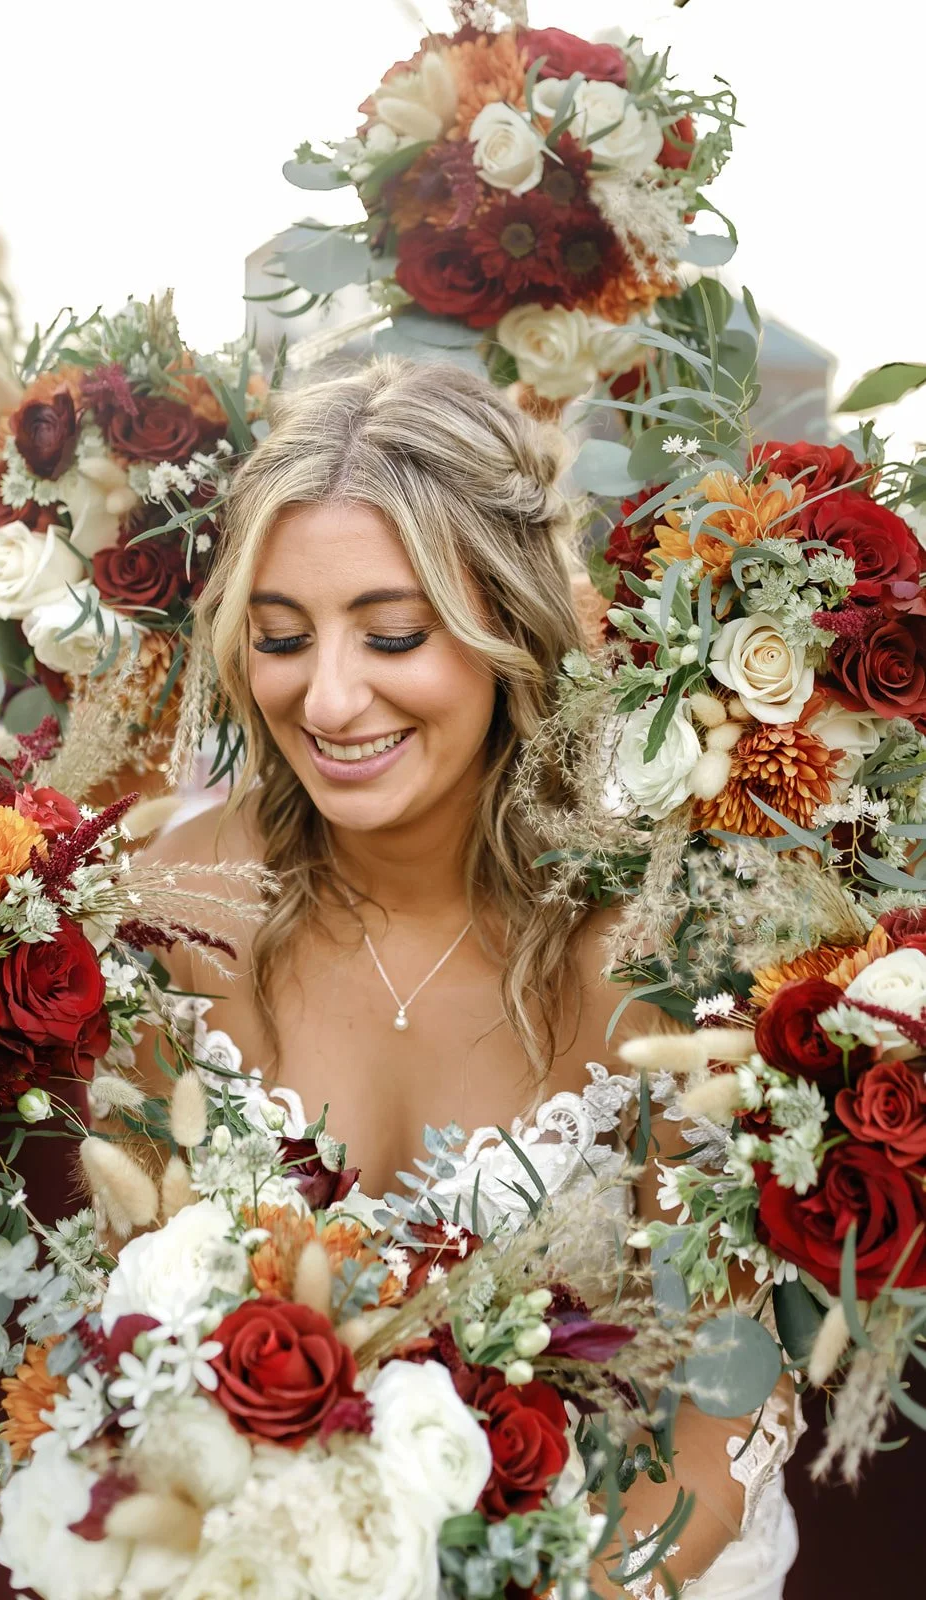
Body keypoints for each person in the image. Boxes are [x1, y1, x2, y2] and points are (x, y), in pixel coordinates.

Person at [142, 357, 798, 1596]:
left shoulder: (658, 944)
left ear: (509, 626)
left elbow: (721, 1398)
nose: (327, 697)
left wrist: (571, 1585)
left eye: (391, 634)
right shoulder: (183, 906)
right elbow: (122, 1321)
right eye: (281, 639)